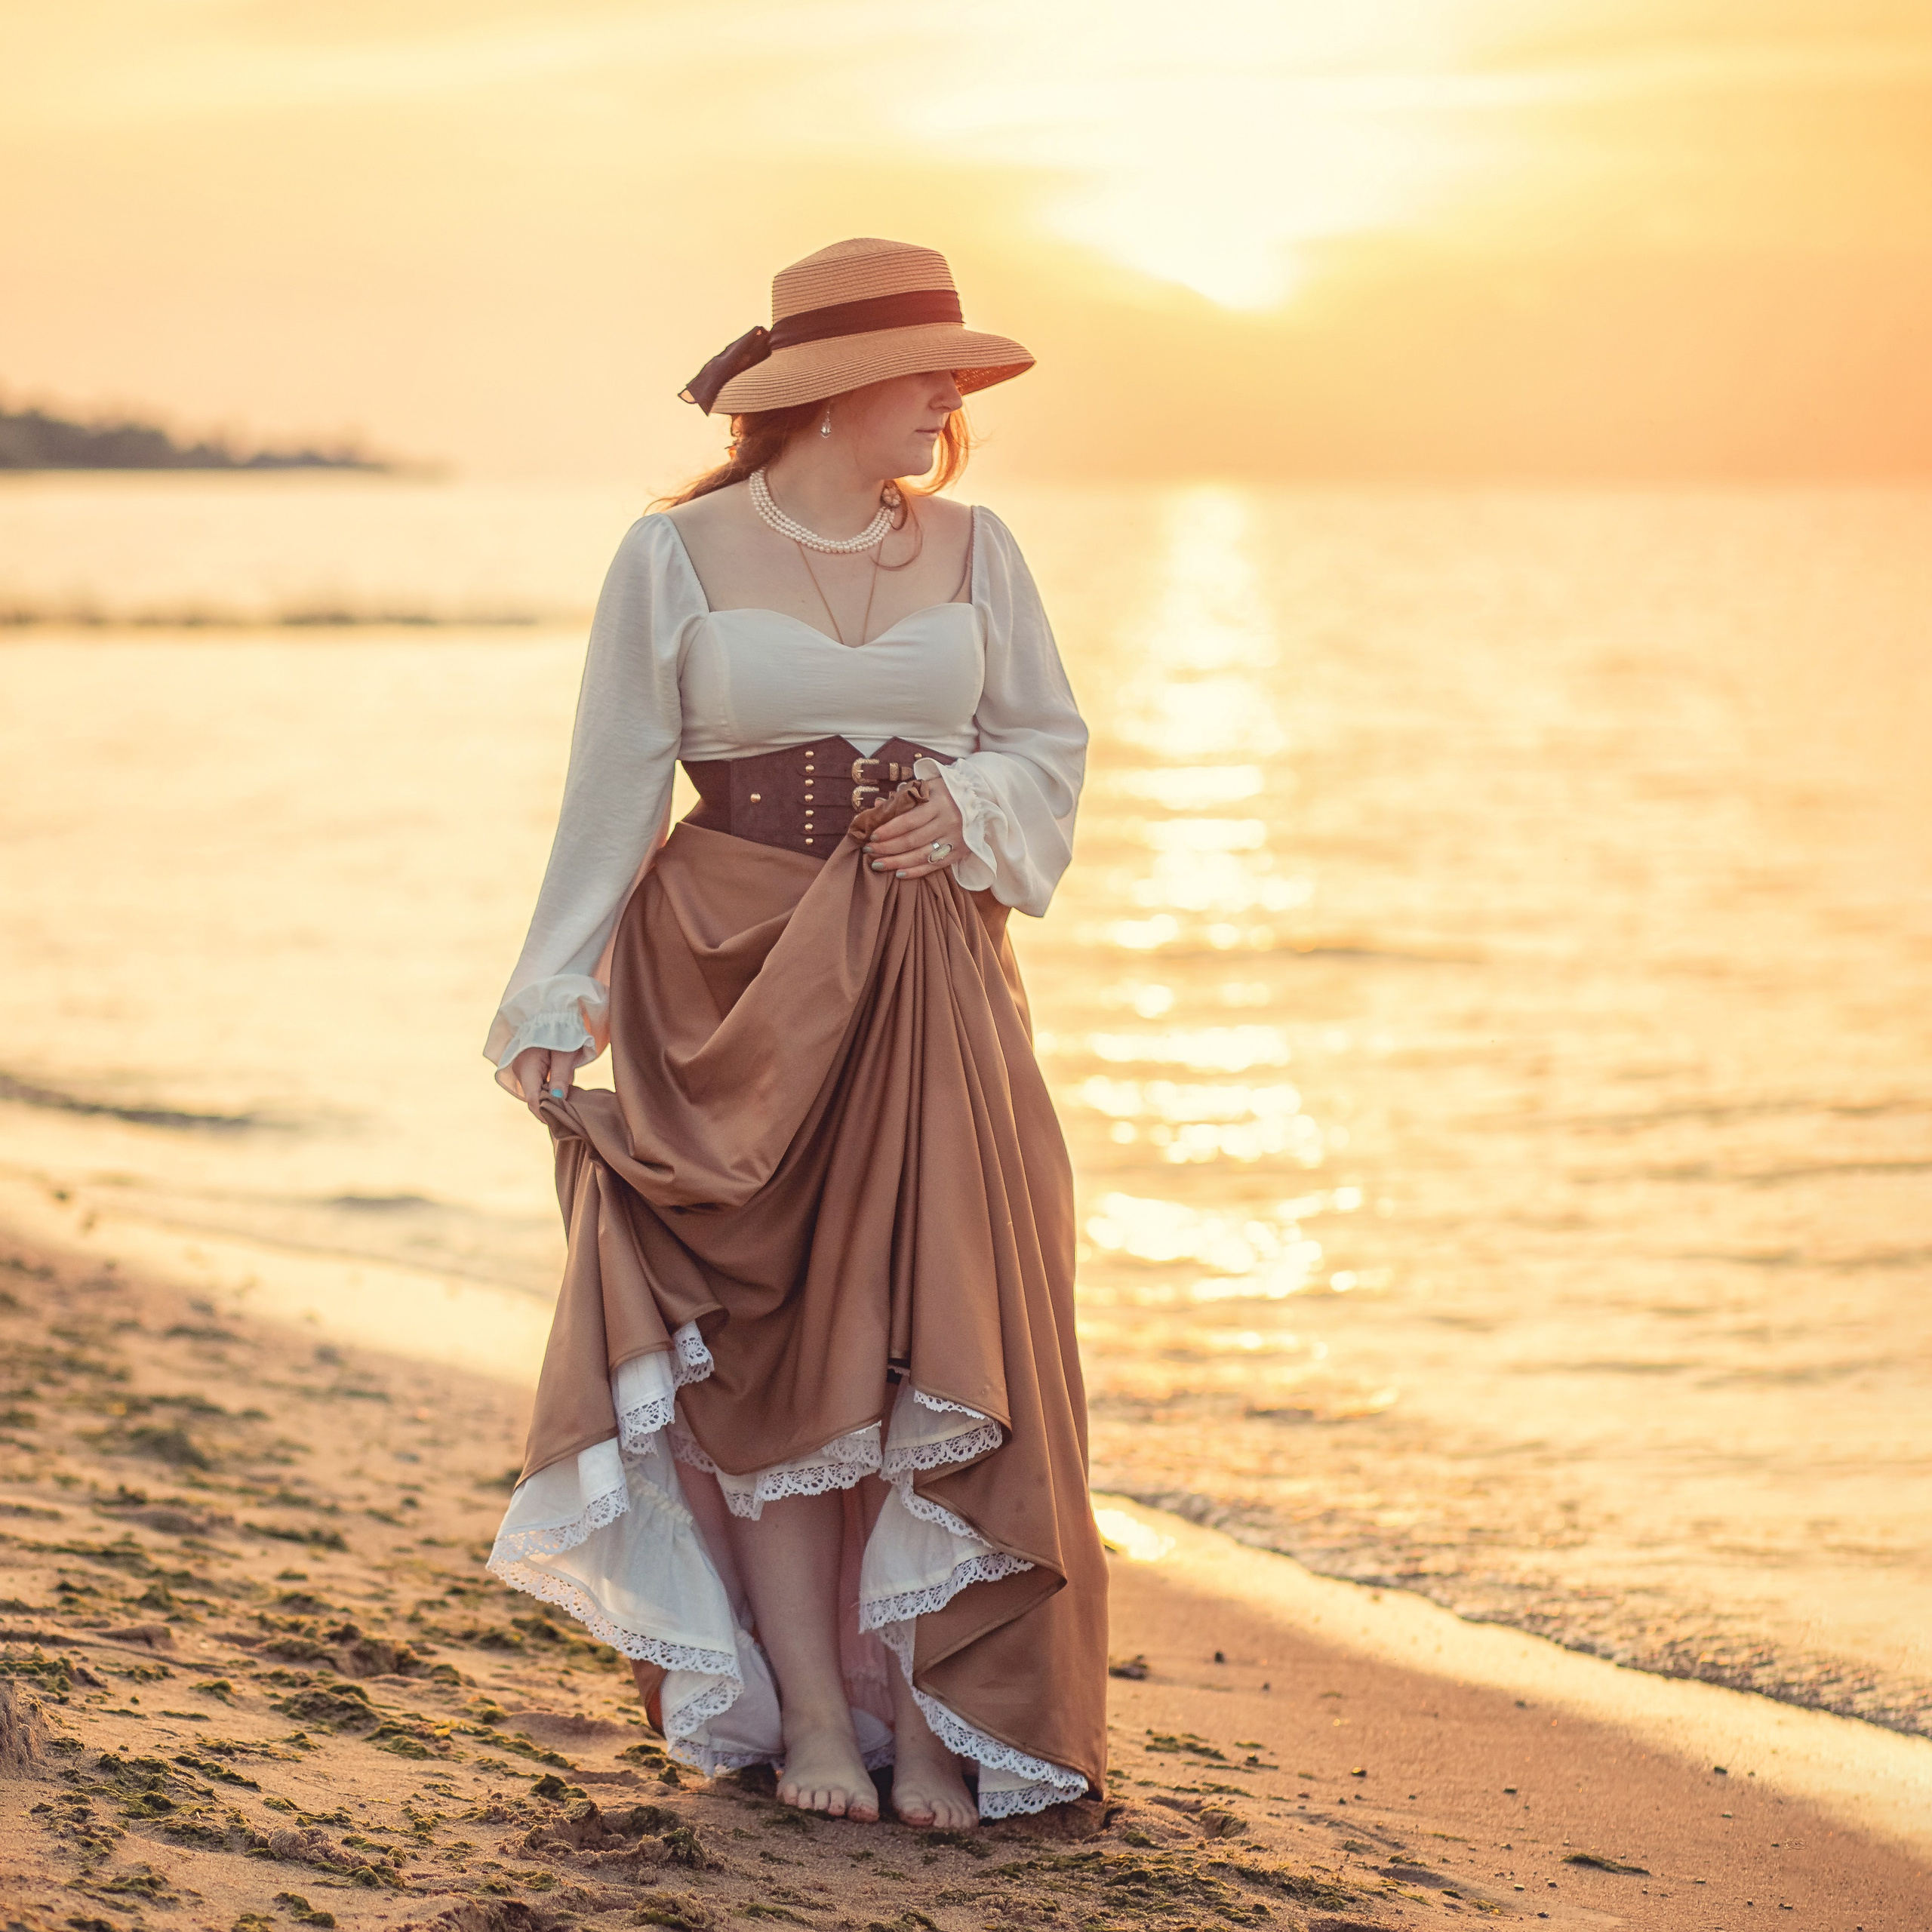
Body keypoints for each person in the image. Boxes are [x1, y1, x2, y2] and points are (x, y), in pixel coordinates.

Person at [480, 237, 1104, 1829]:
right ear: (828, 391)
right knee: (769, 1349)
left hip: (927, 975)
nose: (952, 399)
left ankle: (936, 1708)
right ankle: (818, 1716)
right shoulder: (670, 554)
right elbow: (613, 778)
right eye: (929, 370)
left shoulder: (977, 544)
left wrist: (964, 807)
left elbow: (1044, 740)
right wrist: (560, 988)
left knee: (931, 1324)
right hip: (725, 974)